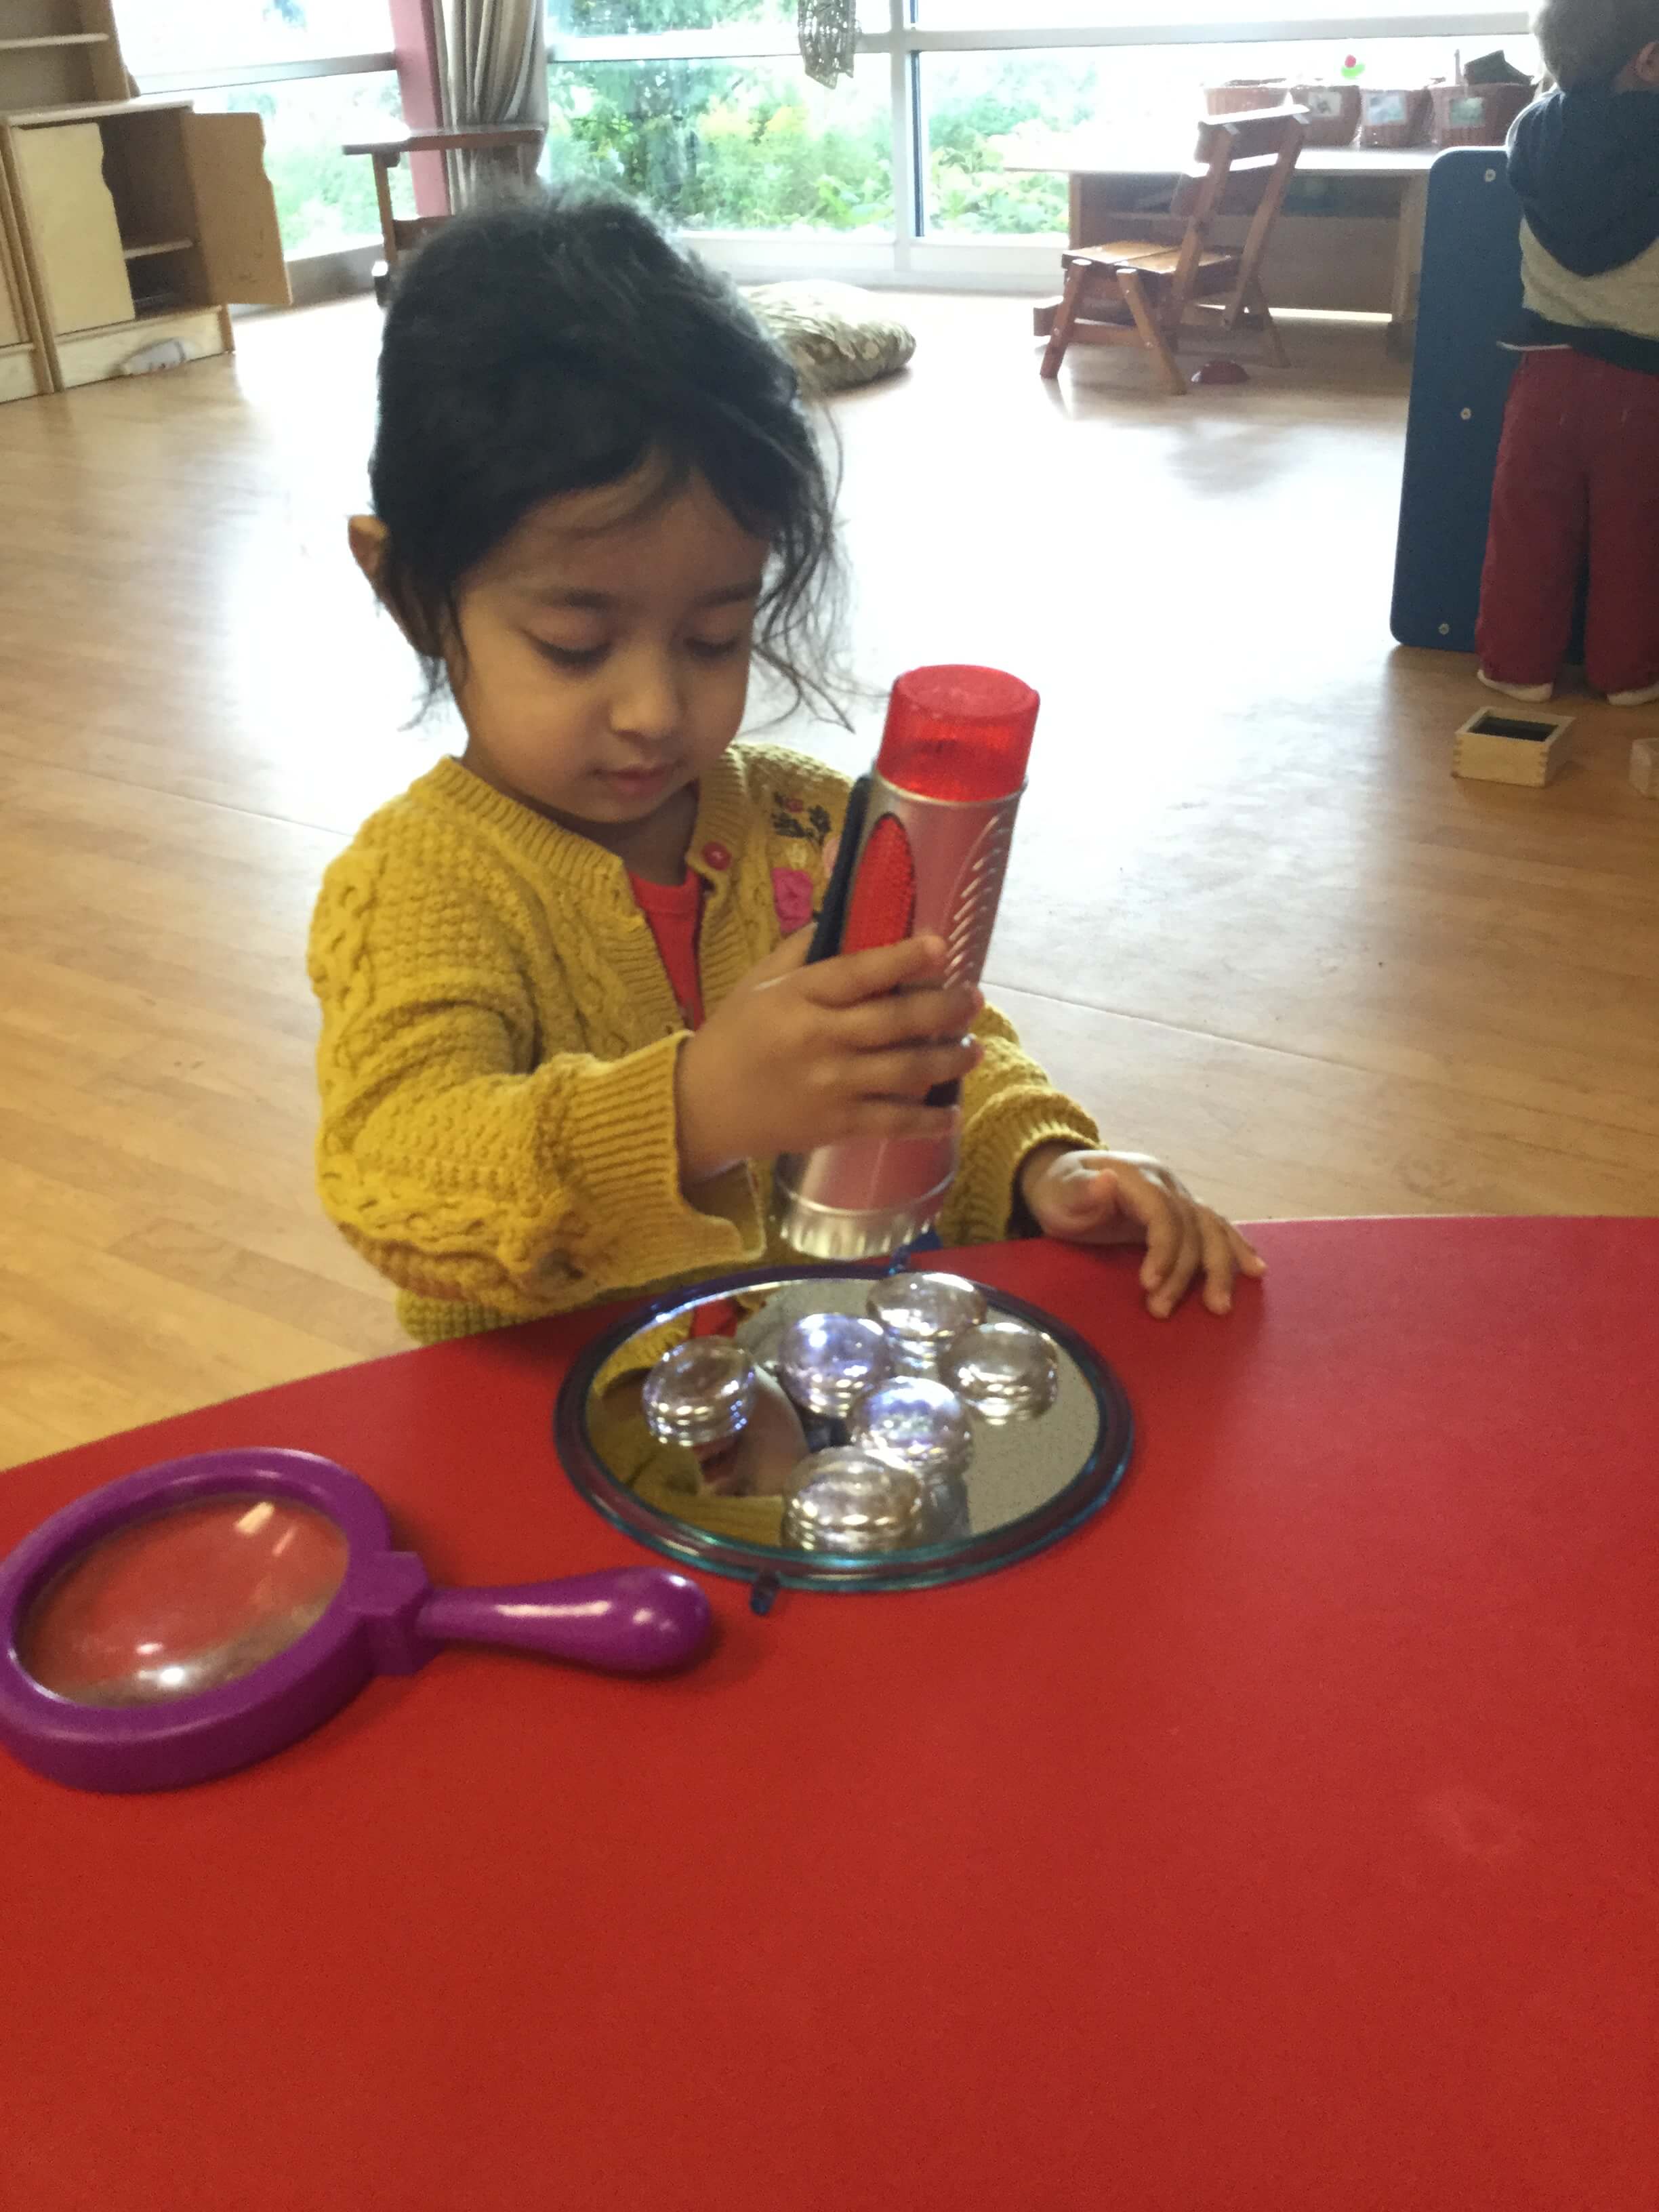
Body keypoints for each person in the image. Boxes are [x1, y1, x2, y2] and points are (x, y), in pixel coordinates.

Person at [308, 188, 1264, 1392]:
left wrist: (1036, 1163)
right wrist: (690, 1109)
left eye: (713, 636)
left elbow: (929, 1053)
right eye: (573, 642)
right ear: (406, 592)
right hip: (559, 1426)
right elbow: (394, 1177)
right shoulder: (420, 884)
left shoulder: (807, 823)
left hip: (823, 1394)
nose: (655, 708)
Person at [1475, 0, 1659, 705]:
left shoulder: (1531, 131)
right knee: (1635, 540)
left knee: (1527, 532)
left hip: (1544, 374)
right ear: (1650, 61)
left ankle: (1514, 667)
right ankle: (1628, 675)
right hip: (1643, 384)